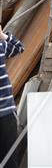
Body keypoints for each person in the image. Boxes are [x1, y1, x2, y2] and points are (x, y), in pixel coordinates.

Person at [0, 25, 24, 168]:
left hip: (7, 113)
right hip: (6, 111)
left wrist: (3, 36)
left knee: (10, 159)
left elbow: (19, 47)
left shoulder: (1, 46)